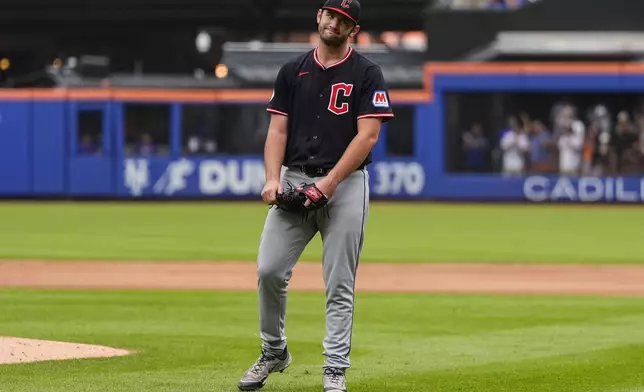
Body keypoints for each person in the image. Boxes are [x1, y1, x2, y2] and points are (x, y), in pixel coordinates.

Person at [236, 0, 394, 391]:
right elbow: (277, 131)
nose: (335, 23)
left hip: (346, 184)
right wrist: (273, 178)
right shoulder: (292, 70)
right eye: (330, 15)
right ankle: (274, 351)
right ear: (318, 17)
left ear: (352, 29)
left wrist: (331, 183)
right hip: (294, 178)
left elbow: (368, 135)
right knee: (269, 270)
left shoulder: (367, 73)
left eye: (344, 20)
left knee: (339, 282)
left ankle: (335, 368)